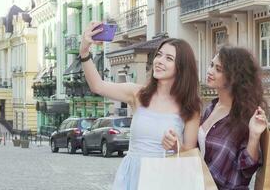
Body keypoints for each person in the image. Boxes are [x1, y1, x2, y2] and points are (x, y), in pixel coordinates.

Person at [79, 22, 201, 190]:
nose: (159, 61)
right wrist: (84, 52)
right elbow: (97, 86)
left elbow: (190, 155)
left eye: (169, 58)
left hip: (165, 179)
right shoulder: (137, 94)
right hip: (132, 177)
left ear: (182, 67)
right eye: (159, 55)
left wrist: (176, 146)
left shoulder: (190, 107)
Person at [198, 47, 268, 189]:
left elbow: (247, 169)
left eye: (218, 69)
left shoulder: (245, 116)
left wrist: (254, 135)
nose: (210, 71)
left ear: (234, 77)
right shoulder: (210, 108)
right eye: (211, 65)